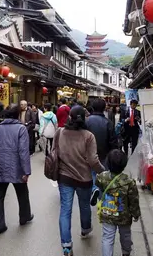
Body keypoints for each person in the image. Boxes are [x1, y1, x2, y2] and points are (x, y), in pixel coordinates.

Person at [55, 106, 105, 256]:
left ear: (70, 117)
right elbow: (92, 160)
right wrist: (103, 172)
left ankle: (66, 245)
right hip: (84, 178)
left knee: (65, 210)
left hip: (64, 178)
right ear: (84, 118)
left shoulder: (60, 133)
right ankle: (85, 229)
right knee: (84, 206)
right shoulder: (88, 136)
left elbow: (54, 152)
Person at [0, 104, 33, 235]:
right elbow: (24, 151)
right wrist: (26, 171)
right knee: (22, 193)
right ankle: (25, 217)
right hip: (16, 167)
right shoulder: (21, 129)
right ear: (17, 115)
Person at [96, 149, 141, 256]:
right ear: (124, 165)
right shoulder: (129, 182)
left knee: (107, 237)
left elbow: (98, 188)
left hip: (107, 213)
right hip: (124, 217)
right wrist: (136, 214)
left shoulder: (102, 177)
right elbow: (133, 200)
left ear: (108, 163)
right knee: (125, 235)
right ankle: (126, 252)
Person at [86, 98, 119, 206]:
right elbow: (113, 141)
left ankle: (94, 189)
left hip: (89, 154)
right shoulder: (108, 123)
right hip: (105, 154)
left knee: (92, 173)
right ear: (104, 108)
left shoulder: (87, 121)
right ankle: (103, 199)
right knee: (104, 177)